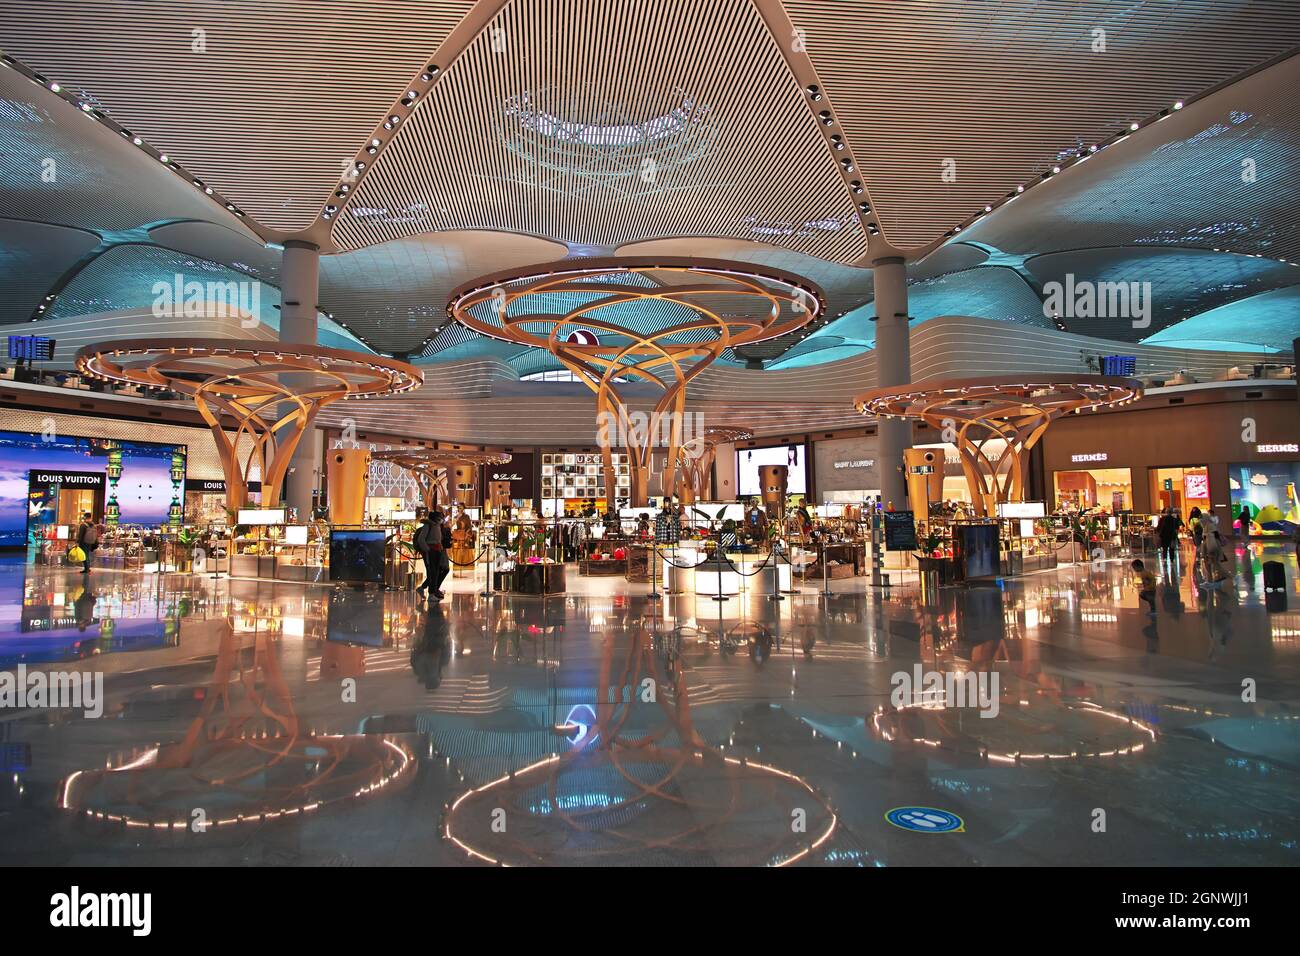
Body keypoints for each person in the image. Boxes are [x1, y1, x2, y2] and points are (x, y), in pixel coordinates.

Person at [414, 511, 449, 600]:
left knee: (436, 572)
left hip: (437, 551)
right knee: (432, 572)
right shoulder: (428, 525)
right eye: (440, 517)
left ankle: (427, 590)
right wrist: (428, 550)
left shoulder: (437, 526)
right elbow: (421, 539)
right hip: (431, 551)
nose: (442, 519)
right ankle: (431, 594)